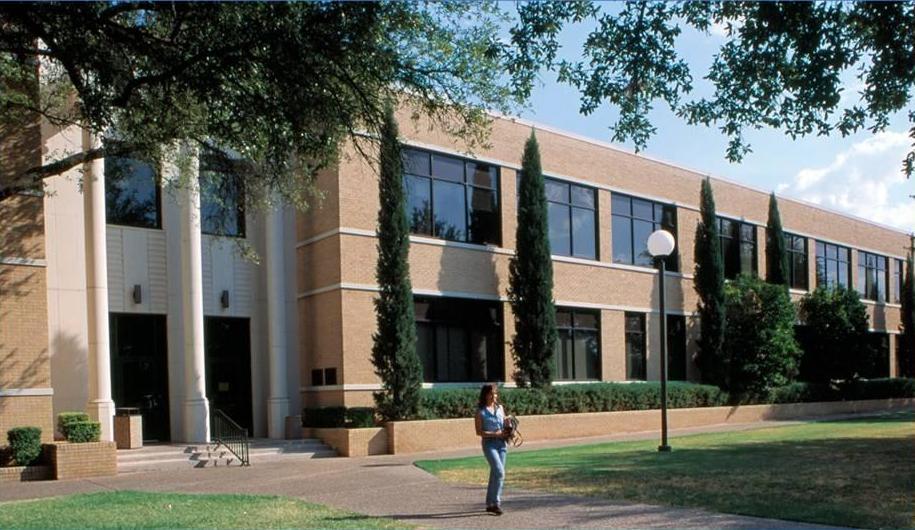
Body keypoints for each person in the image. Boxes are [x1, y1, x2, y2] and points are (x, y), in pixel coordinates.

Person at [475, 383, 508, 515]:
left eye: (495, 393)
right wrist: (495, 434)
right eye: (491, 393)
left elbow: (504, 422)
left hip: (502, 444)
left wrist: (509, 426)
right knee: (500, 472)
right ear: (486, 395)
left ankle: (490, 504)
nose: (494, 396)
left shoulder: (500, 408)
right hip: (489, 445)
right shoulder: (481, 412)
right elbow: (479, 432)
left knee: (495, 474)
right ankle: (496, 503)